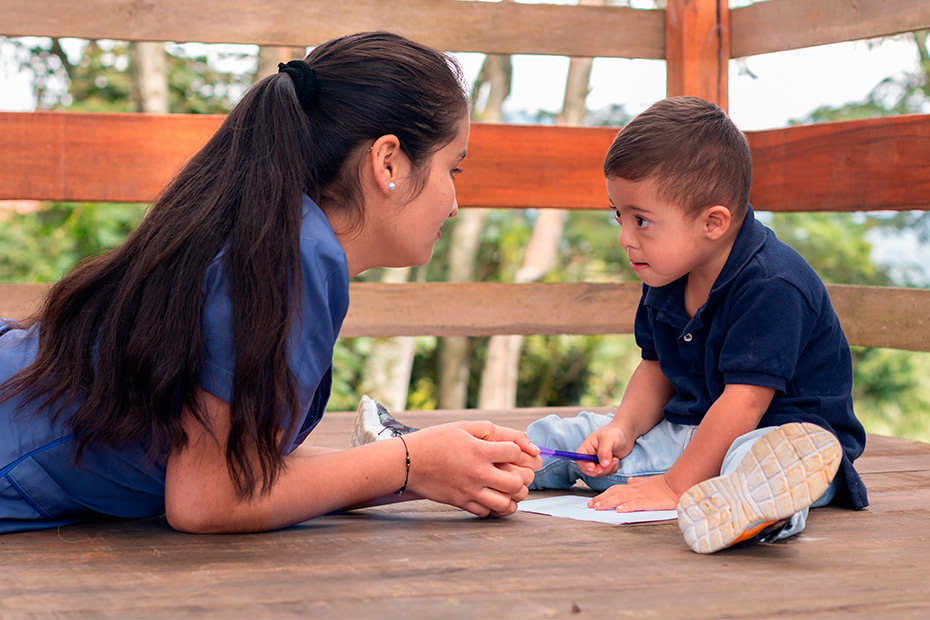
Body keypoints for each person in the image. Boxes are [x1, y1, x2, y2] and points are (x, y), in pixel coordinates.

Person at [0, 31, 541, 535]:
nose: (453, 203)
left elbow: (245, 462)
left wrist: (423, 467)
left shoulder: (277, 235)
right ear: (388, 161)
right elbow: (208, 498)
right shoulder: (292, 255)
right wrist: (410, 463)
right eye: (454, 170)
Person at [522, 96, 868, 553]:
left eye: (642, 220)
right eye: (618, 215)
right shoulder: (666, 270)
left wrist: (672, 486)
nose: (625, 238)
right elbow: (656, 367)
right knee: (581, 435)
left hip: (778, 434)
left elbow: (744, 405)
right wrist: (624, 427)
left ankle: (762, 509)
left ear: (713, 222)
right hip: (696, 427)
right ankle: (498, 460)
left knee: (754, 462)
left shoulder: (773, 285)